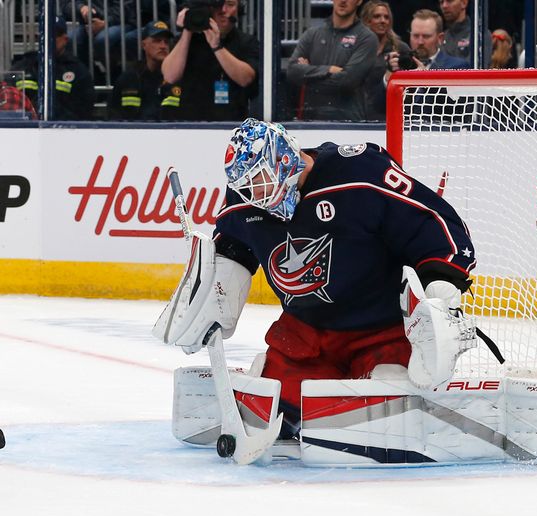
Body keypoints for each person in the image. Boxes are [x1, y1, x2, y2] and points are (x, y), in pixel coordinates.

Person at [162, 118, 477, 440]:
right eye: (246, 185)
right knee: (273, 408)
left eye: (260, 180)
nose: (254, 194)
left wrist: (441, 289)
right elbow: (234, 243)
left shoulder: (360, 173)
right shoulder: (247, 195)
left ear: (285, 160)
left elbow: (431, 222)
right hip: (304, 336)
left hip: (381, 331)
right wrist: (212, 293)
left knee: (386, 400)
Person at [161, 0, 258, 121]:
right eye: (217, 5)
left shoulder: (247, 42)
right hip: (189, 125)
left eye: (230, 4)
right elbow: (170, 76)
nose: (223, 10)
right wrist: (188, 29)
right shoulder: (189, 41)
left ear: (238, 9)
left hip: (231, 125)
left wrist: (217, 46)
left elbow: (246, 78)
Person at [287, 0, 377, 121]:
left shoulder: (366, 38)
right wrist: (328, 70)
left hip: (349, 122)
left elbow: (347, 81)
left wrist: (307, 76)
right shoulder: (312, 34)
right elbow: (292, 71)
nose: (343, 1)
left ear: (359, 1)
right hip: (310, 120)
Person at [12, 15, 95, 120]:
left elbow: (84, 112)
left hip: (64, 131)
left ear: (65, 39)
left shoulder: (78, 71)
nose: (48, 39)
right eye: (45, 34)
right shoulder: (23, 66)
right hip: (24, 130)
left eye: (54, 34)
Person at [109, 21, 179, 120]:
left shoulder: (176, 79)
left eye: (166, 42)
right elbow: (114, 113)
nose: (163, 46)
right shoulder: (129, 78)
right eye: (157, 40)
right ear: (143, 45)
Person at [385, 9, 470, 80]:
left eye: (426, 36)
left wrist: (425, 78)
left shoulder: (456, 67)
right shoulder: (403, 65)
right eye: (415, 36)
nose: (420, 42)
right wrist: (389, 76)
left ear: (440, 38)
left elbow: (452, 99)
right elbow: (377, 99)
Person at [361, 1, 410, 121]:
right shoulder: (358, 47)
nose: (383, 20)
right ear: (367, 20)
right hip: (359, 110)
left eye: (386, 17)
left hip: (388, 111)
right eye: (377, 16)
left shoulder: (401, 48)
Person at [439, 0, 492, 67]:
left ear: (464, 3)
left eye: (450, 1)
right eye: (441, 2)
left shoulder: (479, 35)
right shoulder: (442, 37)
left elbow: (478, 68)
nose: (444, 6)